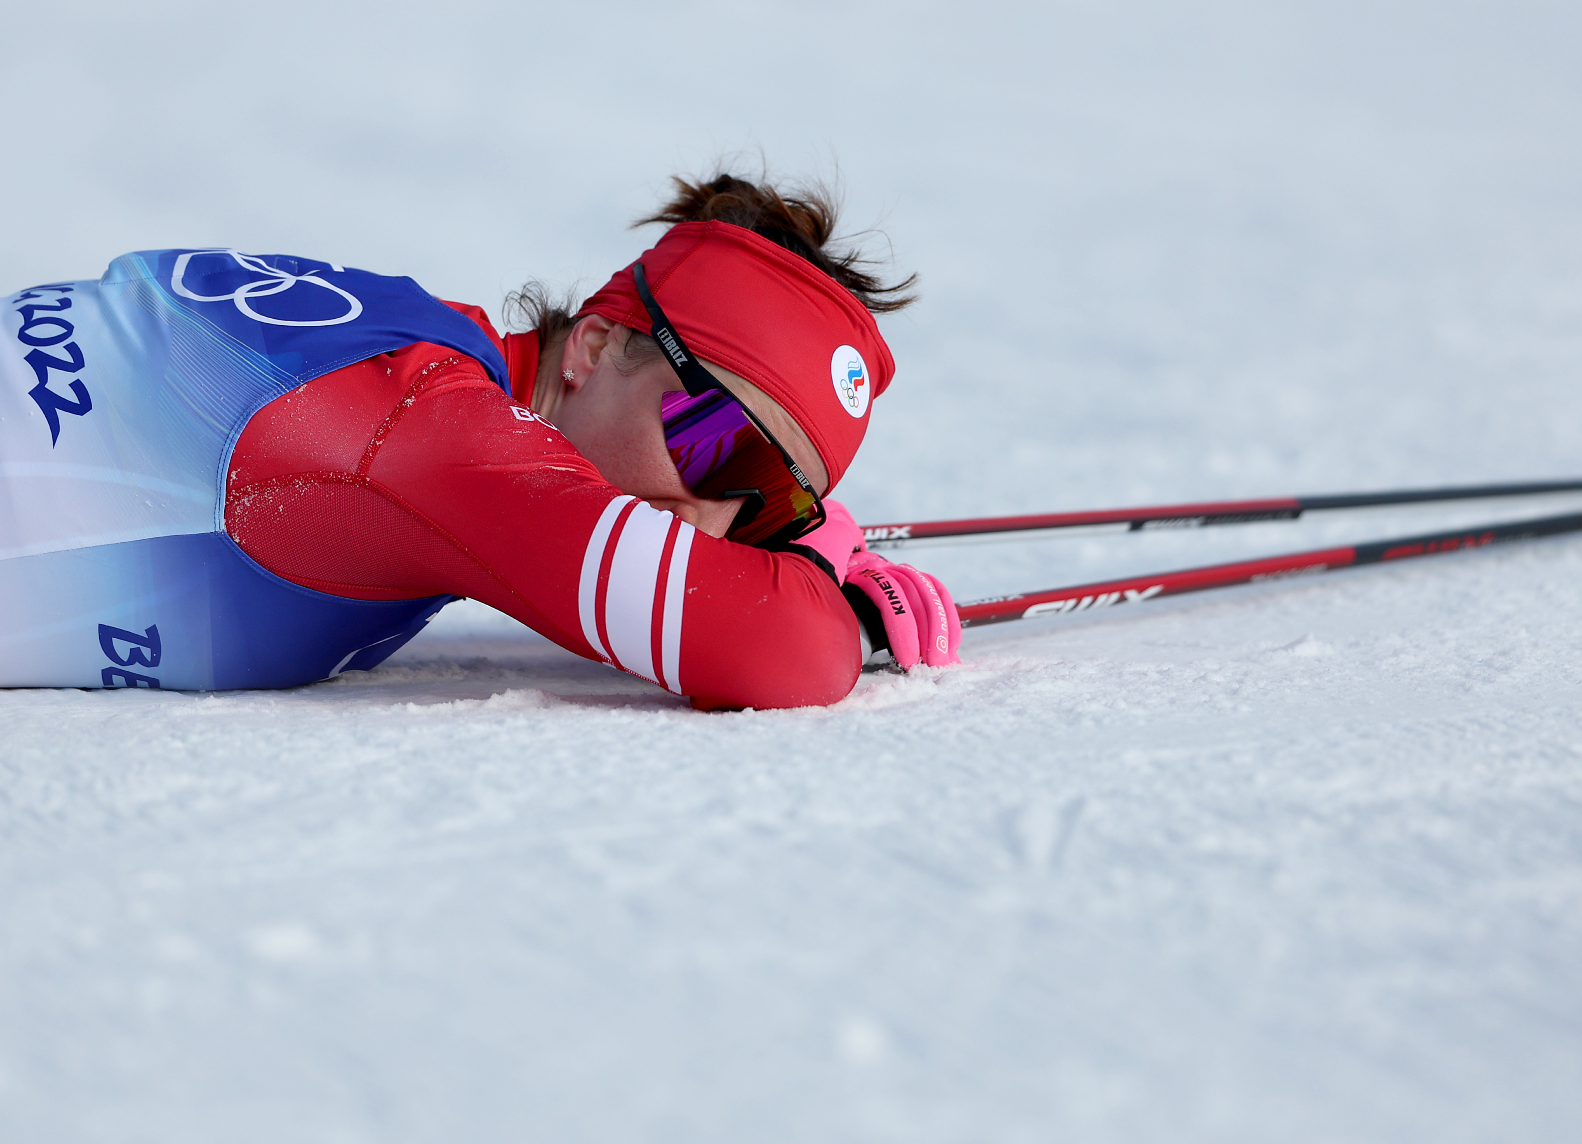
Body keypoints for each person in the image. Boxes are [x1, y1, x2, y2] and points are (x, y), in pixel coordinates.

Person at [0, 173, 959, 710]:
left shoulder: (423, 348)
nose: (716, 513)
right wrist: (811, 580)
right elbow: (782, 650)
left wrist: (788, 542)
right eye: (717, 441)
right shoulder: (433, 430)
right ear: (597, 344)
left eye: (773, 498)